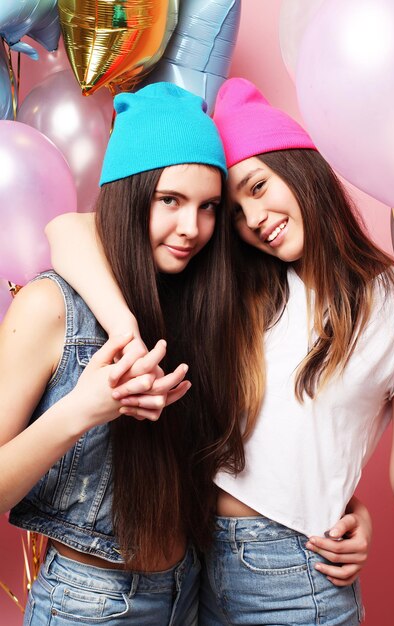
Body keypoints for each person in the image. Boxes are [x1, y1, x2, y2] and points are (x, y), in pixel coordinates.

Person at [44, 81, 394, 623]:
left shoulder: (382, 296)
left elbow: (388, 474)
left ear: (300, 169)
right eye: (233, 210)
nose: (252, 217)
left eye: (255, 188)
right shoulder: (242, 293)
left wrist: (345, 506)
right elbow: (67, 228)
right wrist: (125, 329)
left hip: (284, 572)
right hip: (195, 565)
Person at [0, 82, 247, 626]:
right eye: (170, 201)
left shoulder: (196, 303)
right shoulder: (50, 307)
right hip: (90, 603)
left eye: (208, 207)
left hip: (192, 593)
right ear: (131, 193)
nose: (192, 229)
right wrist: (82, 408)